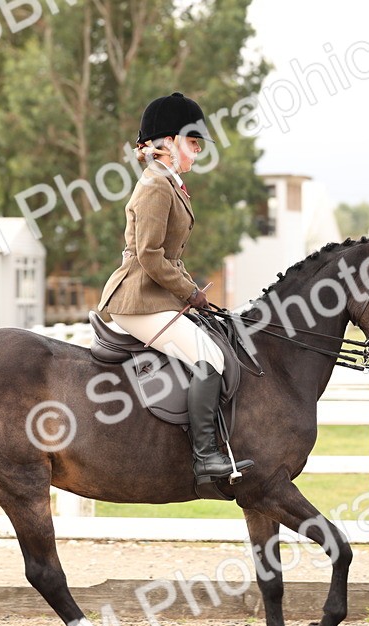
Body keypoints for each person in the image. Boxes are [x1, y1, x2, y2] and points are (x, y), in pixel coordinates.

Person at [96, 92, 253, 485]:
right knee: (210, 358)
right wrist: (190, 293)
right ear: (166, 143)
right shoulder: (155, 186)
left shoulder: (170, 184)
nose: (197, 152)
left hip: (155, 297)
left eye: (199, 145)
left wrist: (191, 294)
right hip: (136, 301)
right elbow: (149, 256)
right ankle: (205, 458)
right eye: (192, 143)